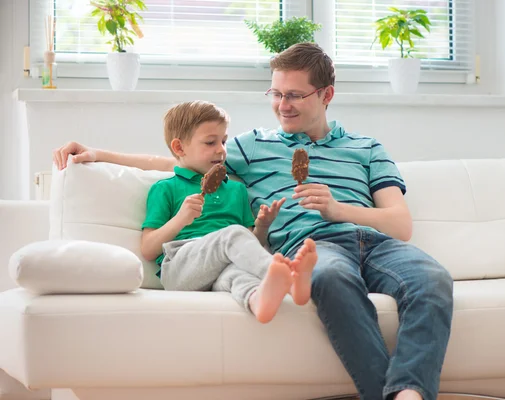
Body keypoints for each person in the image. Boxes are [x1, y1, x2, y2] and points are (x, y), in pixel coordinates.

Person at [53, 43, 454, 400]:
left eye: (295, 95)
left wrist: (339, 209)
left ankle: (408, 392)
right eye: (276, 94)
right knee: (330, 278)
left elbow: (400, 225)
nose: (283, 105)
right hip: (314, 249)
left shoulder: (367, 148)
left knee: (432, 279)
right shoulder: (253, 146)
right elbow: (179, 162)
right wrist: (98, 153)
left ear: (327, 94)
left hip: (376, 243)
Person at [144, 100, 317, 324]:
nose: (221, 149)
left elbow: (247, 244)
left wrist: (262, 226)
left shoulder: (236, 190)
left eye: (224, 141)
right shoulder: (165, 188)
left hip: (221, 267)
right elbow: (148, 249)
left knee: (236, 275)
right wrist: (180, 219)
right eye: (210, 142)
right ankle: (291, 279)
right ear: (179, 148)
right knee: (232, 234)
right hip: (180, 268)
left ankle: (258, 301)